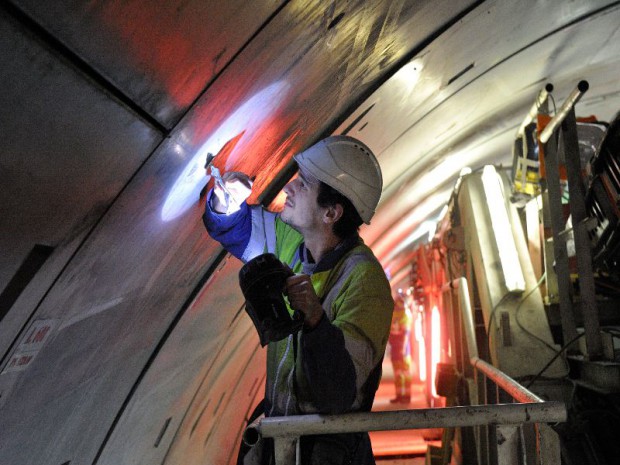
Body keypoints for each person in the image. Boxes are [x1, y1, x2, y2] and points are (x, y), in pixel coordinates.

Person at [203, 135, 394, 465]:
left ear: (331, 212)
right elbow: (234, 228)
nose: (288, 187)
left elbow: (337, 393)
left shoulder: (366, 284)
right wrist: (225, 201)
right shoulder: (291, 240)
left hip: (330, 456)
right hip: (283, 443)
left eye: (303, 184)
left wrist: (317, 320)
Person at [388, 292, 413, 404]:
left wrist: (402, 349)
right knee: (397, 373)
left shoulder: (405, 314)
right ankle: (399, 395)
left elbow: (406, 334)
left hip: (403, 349)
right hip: (395, 347)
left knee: (405, 373)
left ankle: (407, 396)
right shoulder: (394, 314)